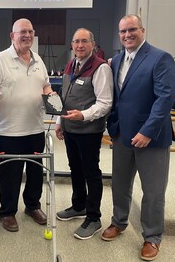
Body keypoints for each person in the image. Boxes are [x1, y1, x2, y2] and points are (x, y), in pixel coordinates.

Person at [102, 14, 175, 261]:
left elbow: (165, 99)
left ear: (142, 30)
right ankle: (119, 222)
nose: (127, 35)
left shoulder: (160, 58)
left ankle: (152, 237)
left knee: (153, 190)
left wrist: (147, 131)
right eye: (122, 31)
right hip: (122, 134)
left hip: (151, 138)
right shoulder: (117, 60)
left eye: (132, 30)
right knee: (120, 184)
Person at [0, 18, 54, 233]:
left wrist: (53, 98)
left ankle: (32, 206)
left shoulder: (38, 59)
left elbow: (46, 85)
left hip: (35, 128)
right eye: (22, 32)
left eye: (30, 32)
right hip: (8, 130)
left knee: (35, 173)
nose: (27, 35)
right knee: (9, 175)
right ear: (12, 36)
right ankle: (7, 212)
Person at [54, 28, 113, 240]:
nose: (80, 45)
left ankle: (94, 217)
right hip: (70, 129)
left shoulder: (100, 68)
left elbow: (105, 103)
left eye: (84, 41)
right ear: (72, 44)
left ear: (93, 44)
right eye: (76, 41)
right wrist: (60, 121)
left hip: (88, 130)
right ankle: (78, 205)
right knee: (75, 169)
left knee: (91, 172)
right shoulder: (71, 64)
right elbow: (65, 96)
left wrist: (84, 115)